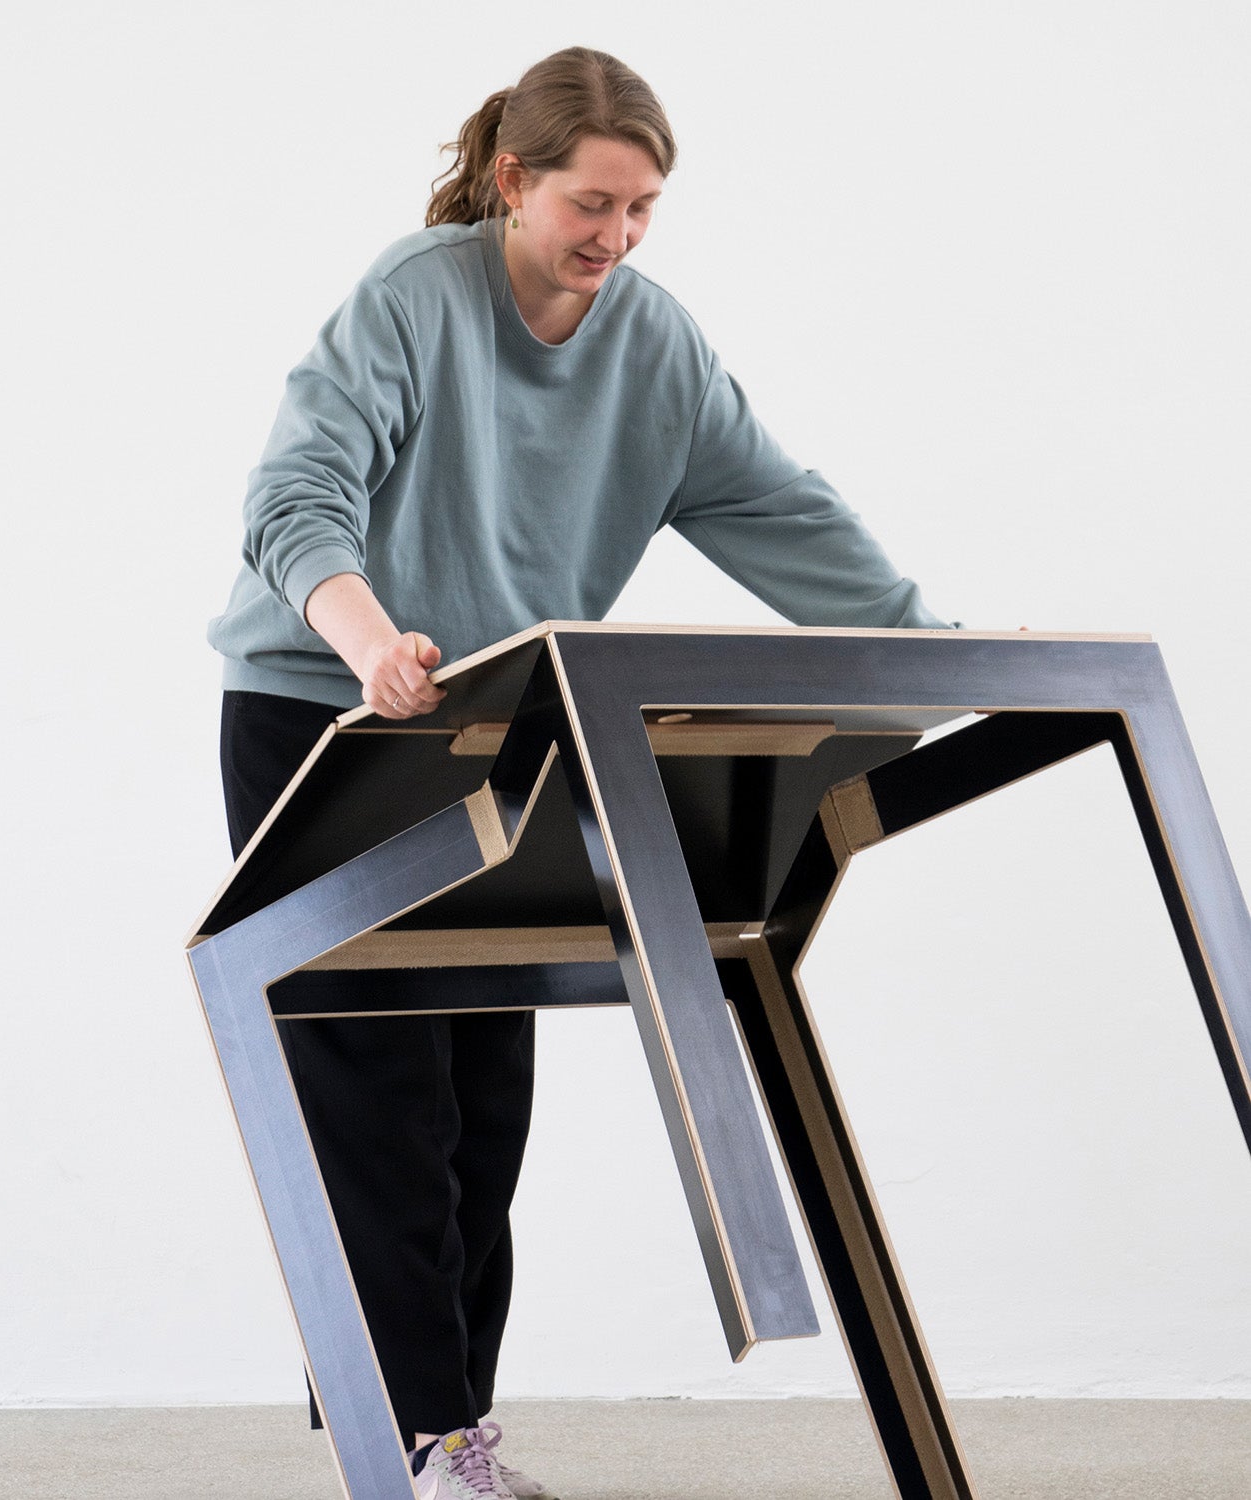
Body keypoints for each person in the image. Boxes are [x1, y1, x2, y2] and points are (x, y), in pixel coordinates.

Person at [208, 45, 954, 1500]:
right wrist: (368, 645)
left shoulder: (655, 348)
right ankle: (422, 1437)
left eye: (643, 209)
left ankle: (445, 1433)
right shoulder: (414, 296)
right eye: (589, 205)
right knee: (380, 1093)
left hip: (499, 729)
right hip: (329, 708)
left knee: (488, 1101)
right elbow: (294, 496)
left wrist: (933, 650)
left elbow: (781, 508)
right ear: (513, 182)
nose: (613, 238)